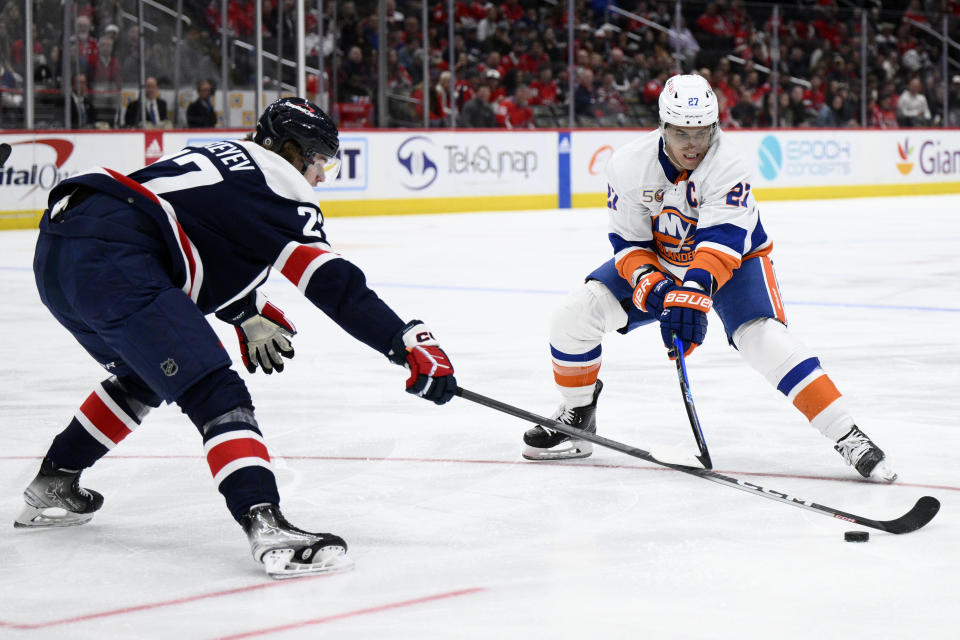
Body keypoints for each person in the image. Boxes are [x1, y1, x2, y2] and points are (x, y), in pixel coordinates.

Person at [15, 97, 458, 579]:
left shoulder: (226, 156)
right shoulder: (280, 186)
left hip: (59, 254)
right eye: (319, 162)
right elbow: (333, 284)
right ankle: (265, 523)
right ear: (292, 151)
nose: (322, 177)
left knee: (144, 378)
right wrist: (404, 340)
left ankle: (55, 481)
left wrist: (245, 312)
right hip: (116, 260)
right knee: (216, 391)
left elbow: (195, 240)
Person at [521, 74, 896, 484]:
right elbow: (628, 242)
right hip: (662, 259)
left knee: (764, 340)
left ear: (715, 127)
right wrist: (654, 285)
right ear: (662, 126)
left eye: (701, 132)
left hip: (735, 263)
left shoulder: (729, 163)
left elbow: (721, 245)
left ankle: (847, 435)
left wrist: (691, 294)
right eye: (680, 132)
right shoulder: (628, 164)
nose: (692, 144)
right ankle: (578, 414)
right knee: (574, 316)